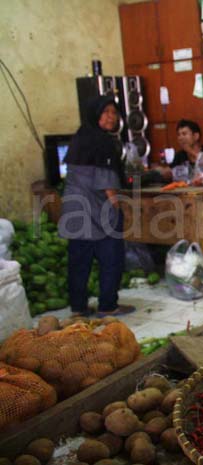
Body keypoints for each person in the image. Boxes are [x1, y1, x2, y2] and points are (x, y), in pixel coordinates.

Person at [58, 95, 136, 317]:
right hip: (97, 211)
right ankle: (108, 306)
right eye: (106, 112)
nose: (111, 117)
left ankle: (79, 308)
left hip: (74, 209)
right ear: (96, 114)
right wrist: (117, 208)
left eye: (114, 112)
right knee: (111, 258)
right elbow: (106, 183)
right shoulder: (103, 141)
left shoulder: (80, 137)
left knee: (79, 263)